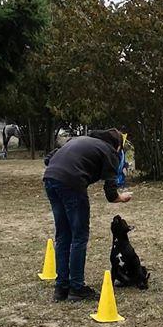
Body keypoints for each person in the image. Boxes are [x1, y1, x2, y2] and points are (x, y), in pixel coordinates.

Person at [43, 128, 131, 302]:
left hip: (50, 178)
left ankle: (61, 288)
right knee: (79, 236)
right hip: (72, 183)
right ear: (118, 146)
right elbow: (111, 193)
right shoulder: (110, 152)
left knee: (63, 235)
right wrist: (122, 198)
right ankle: (77, 287)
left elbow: (48, 159)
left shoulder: (79, 140)